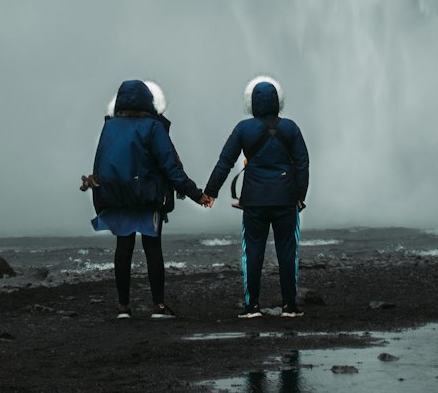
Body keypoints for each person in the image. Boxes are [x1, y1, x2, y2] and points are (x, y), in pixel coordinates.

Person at [81, 78, 209, 319]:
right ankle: (158, 306)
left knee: (123, 249)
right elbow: (170, 167)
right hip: (147, 197)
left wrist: (101, 199)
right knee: (153, 249)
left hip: (117, 197)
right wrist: (196, 195)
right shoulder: (153, 127)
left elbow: (99, 163)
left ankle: (123, 308)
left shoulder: (109, 127)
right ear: (148, 101)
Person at [203, 75, 309, 319]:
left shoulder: (243, 129)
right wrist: (300, 196)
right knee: (287, 252)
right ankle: (289, 306)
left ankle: (252, 307)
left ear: (252, 104)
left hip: (253, 201)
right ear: (277, 102)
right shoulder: (291, 128)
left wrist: (210, 192)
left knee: (252, 251)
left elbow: (225, 163)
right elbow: (303, 164)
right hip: (285, 200)